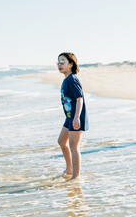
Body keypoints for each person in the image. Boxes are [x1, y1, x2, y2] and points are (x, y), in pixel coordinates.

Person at [57, 52, 88, 180]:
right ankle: (69, 169)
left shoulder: (73, 79)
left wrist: (76, 117)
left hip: (76, 117)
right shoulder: (66, 79)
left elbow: (79, 98)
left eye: (62, 62)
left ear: (70, 64)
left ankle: (75, 176)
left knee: (74, 146)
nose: (59, 64)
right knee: (61, 142)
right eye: (58, 62)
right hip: (69, 117)